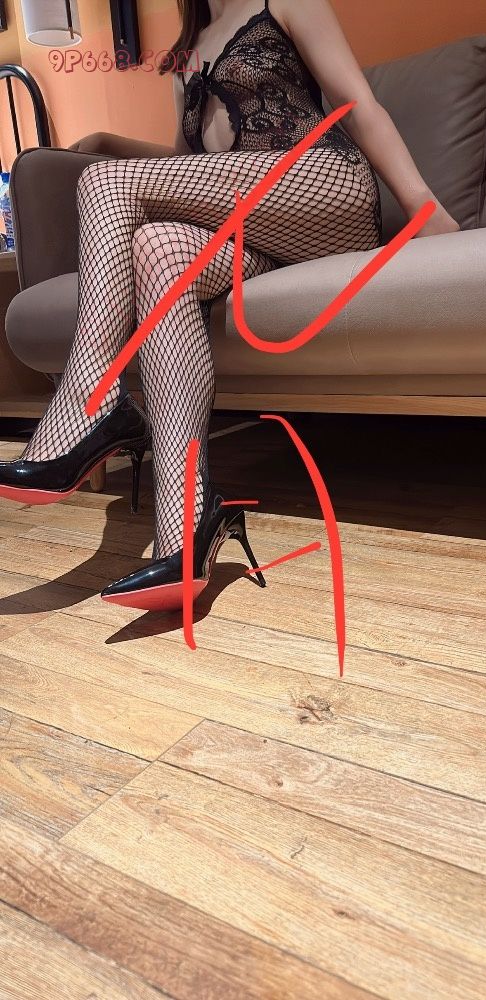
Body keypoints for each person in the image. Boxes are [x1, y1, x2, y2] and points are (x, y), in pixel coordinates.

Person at [0, 0, 459, 611]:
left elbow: (358, 103)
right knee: (158, 248)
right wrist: (113, 142)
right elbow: (190, 171)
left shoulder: (283, 2)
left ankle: (95, 401)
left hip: (323, 190)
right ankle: (186, 527)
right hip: (252, 227)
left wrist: (424, 207)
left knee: (102, 182)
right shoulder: (186, 51)